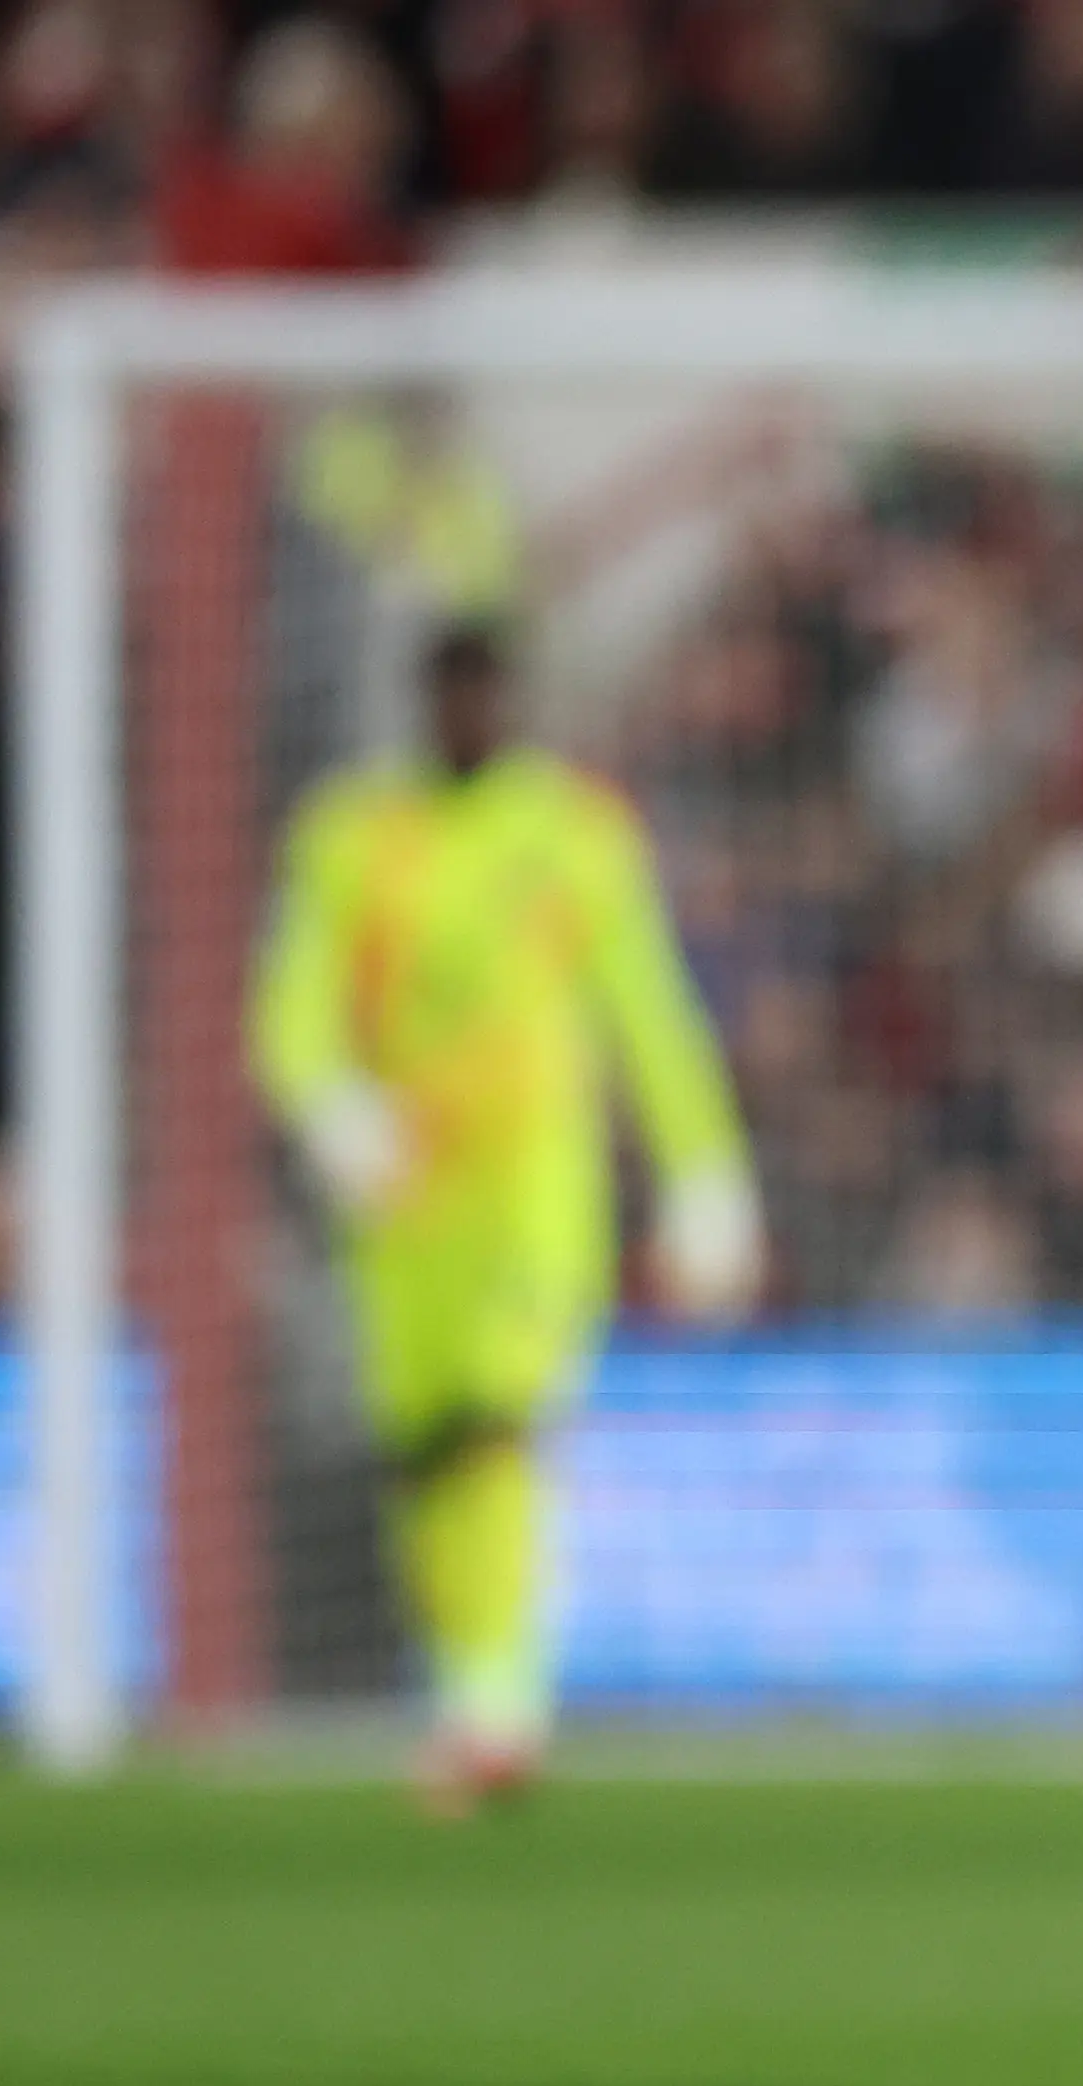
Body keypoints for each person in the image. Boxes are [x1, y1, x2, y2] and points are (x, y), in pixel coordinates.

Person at [250, 624, 760, 1808]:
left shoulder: (577, 835)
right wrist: (328, 1104)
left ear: (514, 699)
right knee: (427, 1452)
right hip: (402, 1205)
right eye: (452, 691)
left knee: (497, 1420)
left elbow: (650, 1013)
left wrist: (704, 1173)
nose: (472, 712)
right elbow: (291, 1005)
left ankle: (500, 1706)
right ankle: (474, 1688)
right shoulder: (350, 837)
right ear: (424, 699)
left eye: (489, 689)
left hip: (537, 1191)